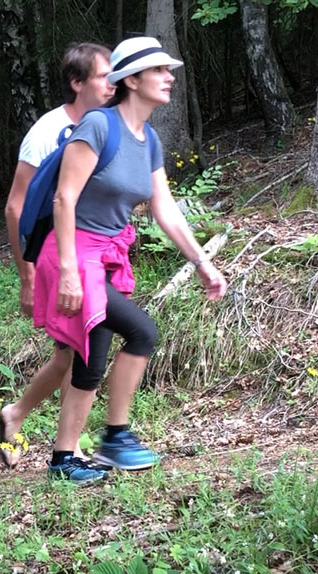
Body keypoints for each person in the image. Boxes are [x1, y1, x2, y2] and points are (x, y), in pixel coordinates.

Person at [33, 36, 227, 485]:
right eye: (159, 70)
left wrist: (201, 261)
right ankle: (116, 436)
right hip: (72, 255)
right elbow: (64, 199)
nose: (169, 77)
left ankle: (65, 459)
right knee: (142, 330)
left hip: (102, 259)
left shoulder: (150, 139)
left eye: (168, 70)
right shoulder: (99, 126)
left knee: (91, 356)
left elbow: (165, 208)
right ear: (132, 80)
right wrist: (67, 271)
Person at [0, 42, 115, 468]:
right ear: (77, 82)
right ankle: (68, 447)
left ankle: (20, 416)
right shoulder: (48, 132)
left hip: (93, 256)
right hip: (56, 257)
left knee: (73, 350)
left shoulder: (108, 125)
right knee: (79, 348)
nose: (112, 83)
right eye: (104, 75)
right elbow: (16, 205)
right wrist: (27, 276)